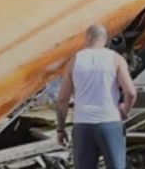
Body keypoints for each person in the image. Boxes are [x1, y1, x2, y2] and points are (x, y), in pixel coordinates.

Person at [55, 24, 136, 169]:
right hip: (109, 123)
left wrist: (61, 129)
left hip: (83, 126)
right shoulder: (116, 59)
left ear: (87, 38)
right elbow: (131, 93)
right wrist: (125, 112)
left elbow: (62, 100)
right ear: (105, 39)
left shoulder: (74, 61)